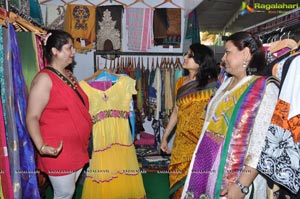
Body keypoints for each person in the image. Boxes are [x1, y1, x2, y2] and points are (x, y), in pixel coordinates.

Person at [181, 32, 280, 199]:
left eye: (228, 52)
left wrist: (242, 185)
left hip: (236, 177)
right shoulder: (226, 82)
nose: (223, 58)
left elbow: (261, 144)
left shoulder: (264, 88)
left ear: (246, 54)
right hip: (207, 163)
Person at [26, 29, 92, 199]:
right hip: (57, 149)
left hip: (77, 148)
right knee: (64, 193)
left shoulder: (68, 75)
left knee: (68, 193)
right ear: (55, 52)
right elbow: (32, 117)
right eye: (69, 48)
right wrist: (41, 146)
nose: (74, 52)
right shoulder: (44, 79)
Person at [160, 43, 218, 198]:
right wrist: (165, 138)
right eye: (186, 54)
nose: (185, 58)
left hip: (201, 144)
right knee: (178, 185)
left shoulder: (213, 86)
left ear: (201, 61)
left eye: (190, 55)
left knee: (197, 188)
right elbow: (176, 112)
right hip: (180, 145)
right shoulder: (181, 83)